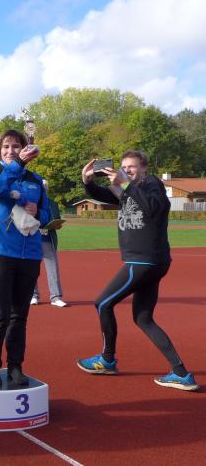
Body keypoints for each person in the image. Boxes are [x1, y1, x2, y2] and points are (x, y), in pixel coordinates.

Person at [76, 151, 199, 391]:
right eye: (123, 167)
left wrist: (126, 183)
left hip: (144, 261)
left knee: (103, 303)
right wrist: (87, 181)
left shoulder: (151, 183)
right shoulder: (129, 190)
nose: (126, 170)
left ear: (144, 168)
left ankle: (107, 359)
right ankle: (180, 373)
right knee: (143, 318)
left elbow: (155, 207)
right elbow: (104, 195)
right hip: (149, 262)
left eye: (131, 167)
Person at [0, 129, 50, 386]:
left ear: (23, 147)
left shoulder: (35, 180)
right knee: (0, 313)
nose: (10, 151)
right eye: (6, 147)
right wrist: (17, 164)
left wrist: (37, 211)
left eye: (16, 146)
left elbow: (48, 215)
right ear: (0, 151)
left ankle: (15, 366)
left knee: (20, 315)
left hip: (29, 255)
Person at [30, 180, 67, 307]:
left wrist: (57, 225)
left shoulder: (53, 204)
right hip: (32, 239)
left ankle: (56, 297)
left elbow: (56, 220)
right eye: (41, 187)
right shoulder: (31, 202)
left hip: (48, 240)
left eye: (45, 187)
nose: (43, 189)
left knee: (52, 269)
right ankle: (33, 295)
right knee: (32, 269)